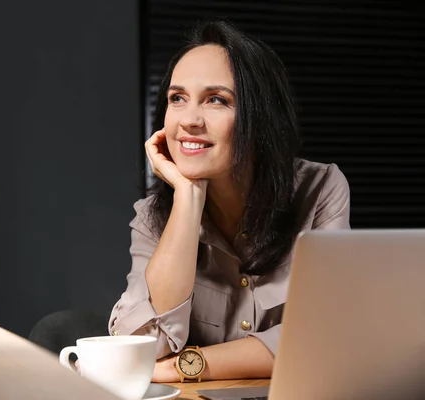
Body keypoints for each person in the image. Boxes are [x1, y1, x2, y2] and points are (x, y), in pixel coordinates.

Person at [108, 19, 351, 383]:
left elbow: (328, 337)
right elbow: (138, 345)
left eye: (216, 100)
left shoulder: (319, 189)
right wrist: (188, 198)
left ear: (259, 117)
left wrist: (183, 366)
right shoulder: (152, 218)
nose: (188, 120)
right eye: (178, 98)